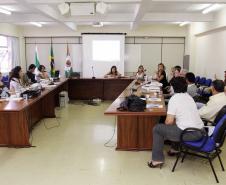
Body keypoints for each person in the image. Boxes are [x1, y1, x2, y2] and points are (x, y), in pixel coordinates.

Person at [148, 77, 204, 168]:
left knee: (157, 129)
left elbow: (168, 122)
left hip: (189, 134)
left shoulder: (174, 99)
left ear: (173, 88)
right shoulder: (188, 96)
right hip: (201, 131)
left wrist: (167, 123)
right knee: (177, 124)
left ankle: (156, 160)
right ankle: (174, 149)